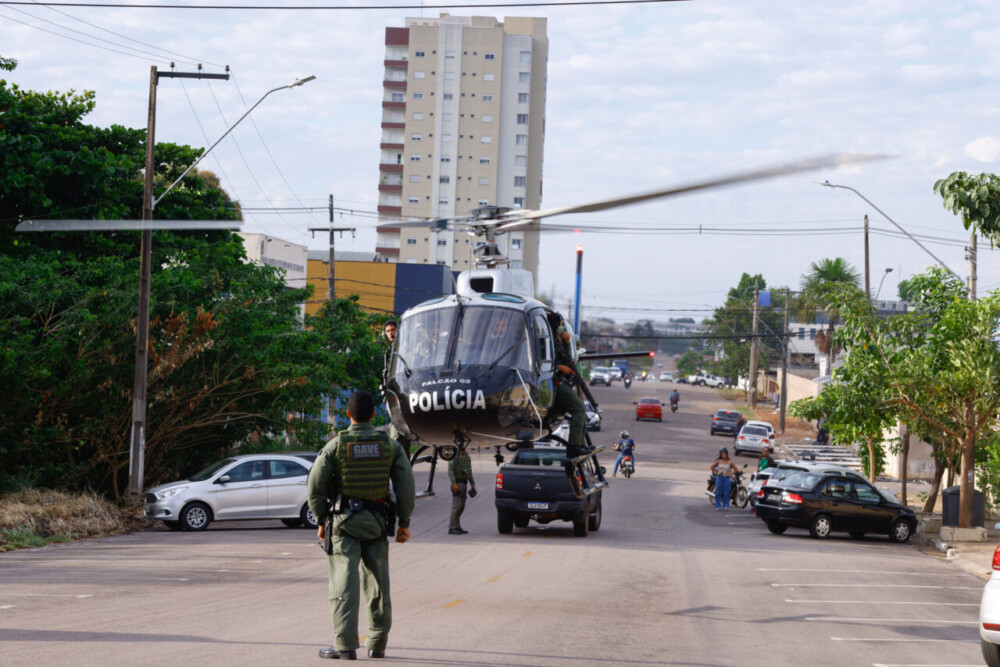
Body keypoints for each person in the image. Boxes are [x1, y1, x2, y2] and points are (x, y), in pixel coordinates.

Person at [307, 390, 416, 661]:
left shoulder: (336, 445)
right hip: (377, 524)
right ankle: (377, 643)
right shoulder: (389, 445)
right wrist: (404, 522)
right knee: (378, 583)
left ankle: (344, 645)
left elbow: (315, 488)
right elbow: (406, 486)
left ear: (348, 414)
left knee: (344, 583)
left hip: (343, 525)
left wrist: (321, 520)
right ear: (373, 415)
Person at [546, 313, 589, 459]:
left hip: (558, 381)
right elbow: (542, 362)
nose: (562, 328)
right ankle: (574, 447)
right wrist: (559, 368)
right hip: (552, 382)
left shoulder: (557, 341)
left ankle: (580, 444)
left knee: (580, 410)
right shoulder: (545, 341)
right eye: (560, 325)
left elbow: (567, 358)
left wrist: (566, 342)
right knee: (579, 408)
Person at [447, 447, 476, 534]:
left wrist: (472, 484)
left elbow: (469, 471)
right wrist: (454, 483)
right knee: (456, 506)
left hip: (464, 483)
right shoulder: (454, 456)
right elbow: (450, 470)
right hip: (458, 483)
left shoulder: (466, 456)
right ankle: (452, 528)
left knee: (461, 507)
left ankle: (457, 526)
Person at [710, 446, 737, 511]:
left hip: (726, 478)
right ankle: (718, 506)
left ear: (727, 454)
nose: (723, 456)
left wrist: (730, 474)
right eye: (722, 454)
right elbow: (712, 467)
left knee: (726, 492)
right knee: (718, 491)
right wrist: (717, 471)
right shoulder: (719, 461)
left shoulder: (730, 462)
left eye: (724, 454)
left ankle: (725, 506)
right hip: (720, 477)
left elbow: (736, 469)